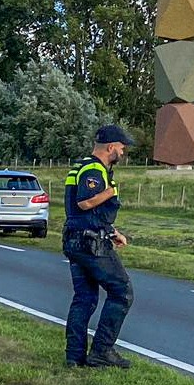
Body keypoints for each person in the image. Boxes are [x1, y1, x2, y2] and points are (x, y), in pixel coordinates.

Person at [63, 125, 136, 369]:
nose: (123, 153)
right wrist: (112, 190)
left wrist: (113, 232)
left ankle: (74, 357)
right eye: (122, 148)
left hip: (77, 239)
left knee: (84, 298)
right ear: (111, 146)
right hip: (90, 244)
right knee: (122, 292)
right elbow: (85, 203)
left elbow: (85, 213)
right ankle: (102, 350)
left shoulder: (80, 166)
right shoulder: (94, 169)